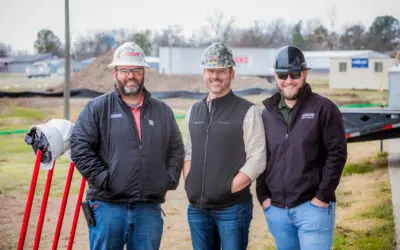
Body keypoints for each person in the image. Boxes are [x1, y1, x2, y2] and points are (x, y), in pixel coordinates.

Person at [70, 42, 184, 250]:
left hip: (148, 209)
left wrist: (167, 179)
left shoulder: (162, 111)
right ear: (115, 73)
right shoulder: (97, 108)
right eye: (124, 70)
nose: (131, 76)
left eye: (136, 70)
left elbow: (176, 148)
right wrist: (104, 179)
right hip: (107, 207)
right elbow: (79, 147)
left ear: (144, 72)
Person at [256, 45, 347, 250]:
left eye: (295, 74)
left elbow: (337, 154)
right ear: (275, 76)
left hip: (313, 208)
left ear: (305, 74)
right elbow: (263, 156)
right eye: (282, 74)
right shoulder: (267, 113)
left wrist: (322, 197)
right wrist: (263, 197)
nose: (288, 80)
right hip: (277, 211)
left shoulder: (324, 108)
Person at [183, 42, 267, 250]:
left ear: (232, 73)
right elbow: (189, 152)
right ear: (204, 72)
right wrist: (190, 184)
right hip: (198, 210)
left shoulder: (247, 111)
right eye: (210, 70)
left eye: (221, 71)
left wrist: (228, 188)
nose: (215, 76)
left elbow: (257, 158)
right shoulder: (193, 111)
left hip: (232, 209)